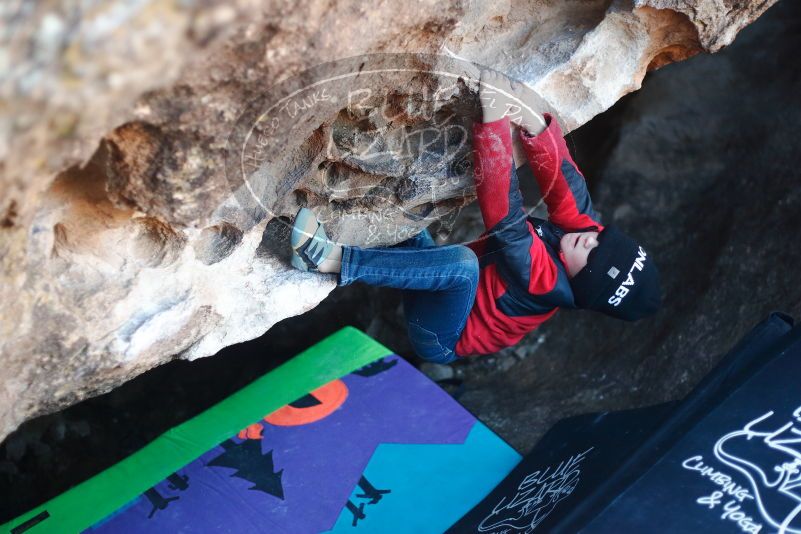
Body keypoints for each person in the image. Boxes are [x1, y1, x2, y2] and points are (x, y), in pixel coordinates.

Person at [289, 70, 661, 364]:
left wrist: (495, 124)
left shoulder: (543, 284)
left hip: (441, 336)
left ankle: (327, 260)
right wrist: (537, 127)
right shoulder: (584, 236)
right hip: (441, 293)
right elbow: (566, 185)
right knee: (406, 222)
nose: (591, 242)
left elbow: (505, 217)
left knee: (461, 265)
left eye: (593, 261)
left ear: (582, 287)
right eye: (603, 240)